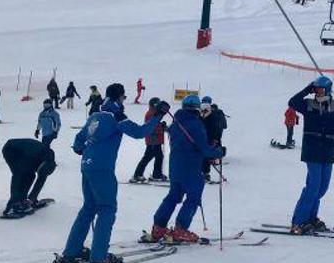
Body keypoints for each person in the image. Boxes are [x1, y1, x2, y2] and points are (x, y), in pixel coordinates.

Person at [57, 83, 167, 263]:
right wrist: (158, 116)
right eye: (123, 97)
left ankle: (71, 252)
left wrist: (83, 149)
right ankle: (98, 257)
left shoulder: (95, 115)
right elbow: (139, 132)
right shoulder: (116, 115)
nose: (124, 100)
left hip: (87, 165)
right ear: (119, 97)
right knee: (107, 210)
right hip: (102, 168)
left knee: (88, 208)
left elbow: (78, 141)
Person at [288, 76, 334, 234]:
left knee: (322, 188)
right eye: (315, 89)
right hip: (312, 151)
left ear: (328, 89)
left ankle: (311, 218)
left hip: (327, 152)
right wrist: (306, 89)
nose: (317, 91)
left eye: (320, 89)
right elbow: (292, 102)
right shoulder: (308, 104)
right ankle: (299, 221)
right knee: (313, 186)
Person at [149, 95, 223, 243]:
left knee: (173, 196)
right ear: (197, 108)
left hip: (175, 167)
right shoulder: (196, 124)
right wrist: (219, 152)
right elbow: (203, 149)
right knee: (193, 197)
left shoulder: (176, 123)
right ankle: (181, 229)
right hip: (191, 168)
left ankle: (159, 226)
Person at [1, 138, 57, 218]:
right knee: (23, 174)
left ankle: (24, 200)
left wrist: (32, 198)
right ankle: (15, 203)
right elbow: (16, 178)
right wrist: (12, 203)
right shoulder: (29, 157)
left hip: (29, 152)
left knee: (30, 175)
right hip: (11, 150)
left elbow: (41, 179)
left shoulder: (50, 159)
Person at [132, 98, 168, 182]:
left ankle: (141, 174)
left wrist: (161, 125)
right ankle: (155, 174)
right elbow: (152, 127)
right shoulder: (150, 114)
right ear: (154, 105)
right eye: (158, 105)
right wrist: (162, 128)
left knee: (151, 157)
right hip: (153, 139)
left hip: (155, 139)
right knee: (156, 156)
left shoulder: (154, 113)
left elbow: (156, 124)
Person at [200, 100, 227, 182]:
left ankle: (205, 174)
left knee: (206, 157)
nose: (203, 113)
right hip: (200, 139)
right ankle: (198, 173)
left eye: (205, 111)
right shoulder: (199, 117)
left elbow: (217, 129)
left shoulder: (213, 118)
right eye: (202, 111)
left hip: (209, 139)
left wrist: (215, 140)